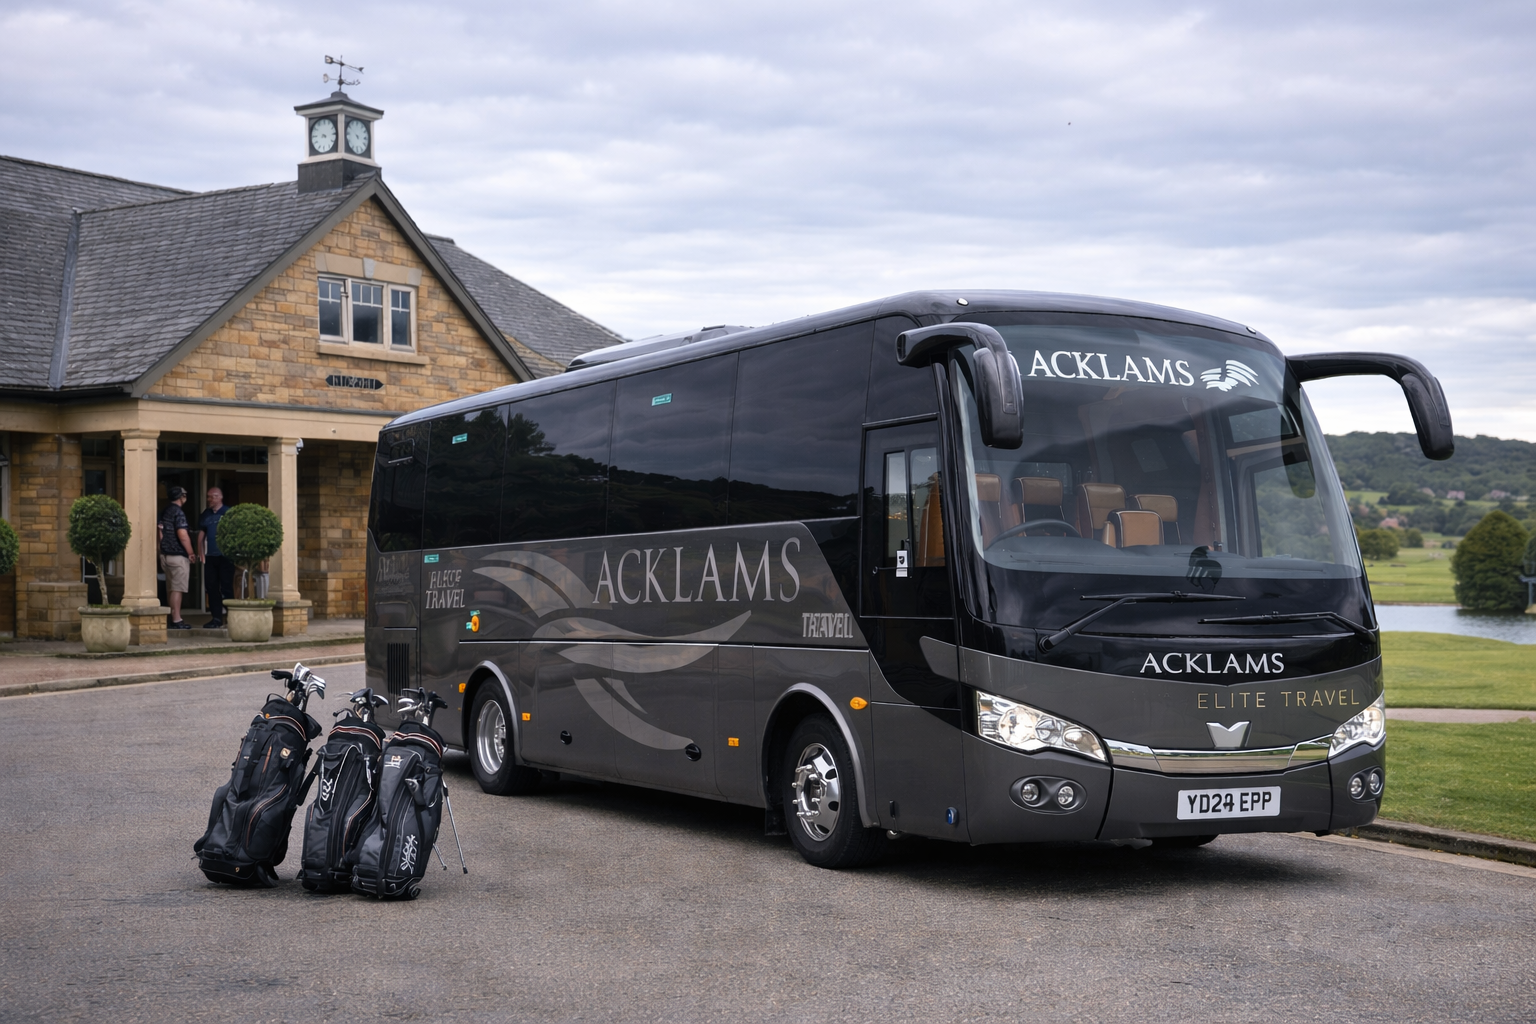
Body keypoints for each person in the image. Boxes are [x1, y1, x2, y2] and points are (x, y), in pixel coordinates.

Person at [158, 486, 195, 630]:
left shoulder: (165, 511)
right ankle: (176, 619)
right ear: (181, 497)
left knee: (171, 588)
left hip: (165, 555)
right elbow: (183, 535)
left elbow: (159, 533)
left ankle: (173, 617)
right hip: (178, 556)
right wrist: (191, 552)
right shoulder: (178, 513)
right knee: (177, 589)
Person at [198, 487, 234, 629]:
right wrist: (200, 552)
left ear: (219, 497)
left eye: (212, 497)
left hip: (225, 556)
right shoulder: (205, 514)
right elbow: (201, 534)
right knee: (211, 588)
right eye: (208, 497)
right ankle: (216, 619)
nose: (209, 500)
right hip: (210, 557)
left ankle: (231, 618)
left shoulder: (228, 512)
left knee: (227, 588)